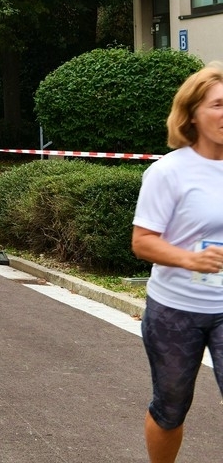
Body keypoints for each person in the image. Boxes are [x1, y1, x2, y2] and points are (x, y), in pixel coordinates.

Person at [132, 64, 223, 463]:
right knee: (170, 409)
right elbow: (142, 242)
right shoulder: (168, 172)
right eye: (218, 105)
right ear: (192, 115)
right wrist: (191, 258)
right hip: (175, 310)